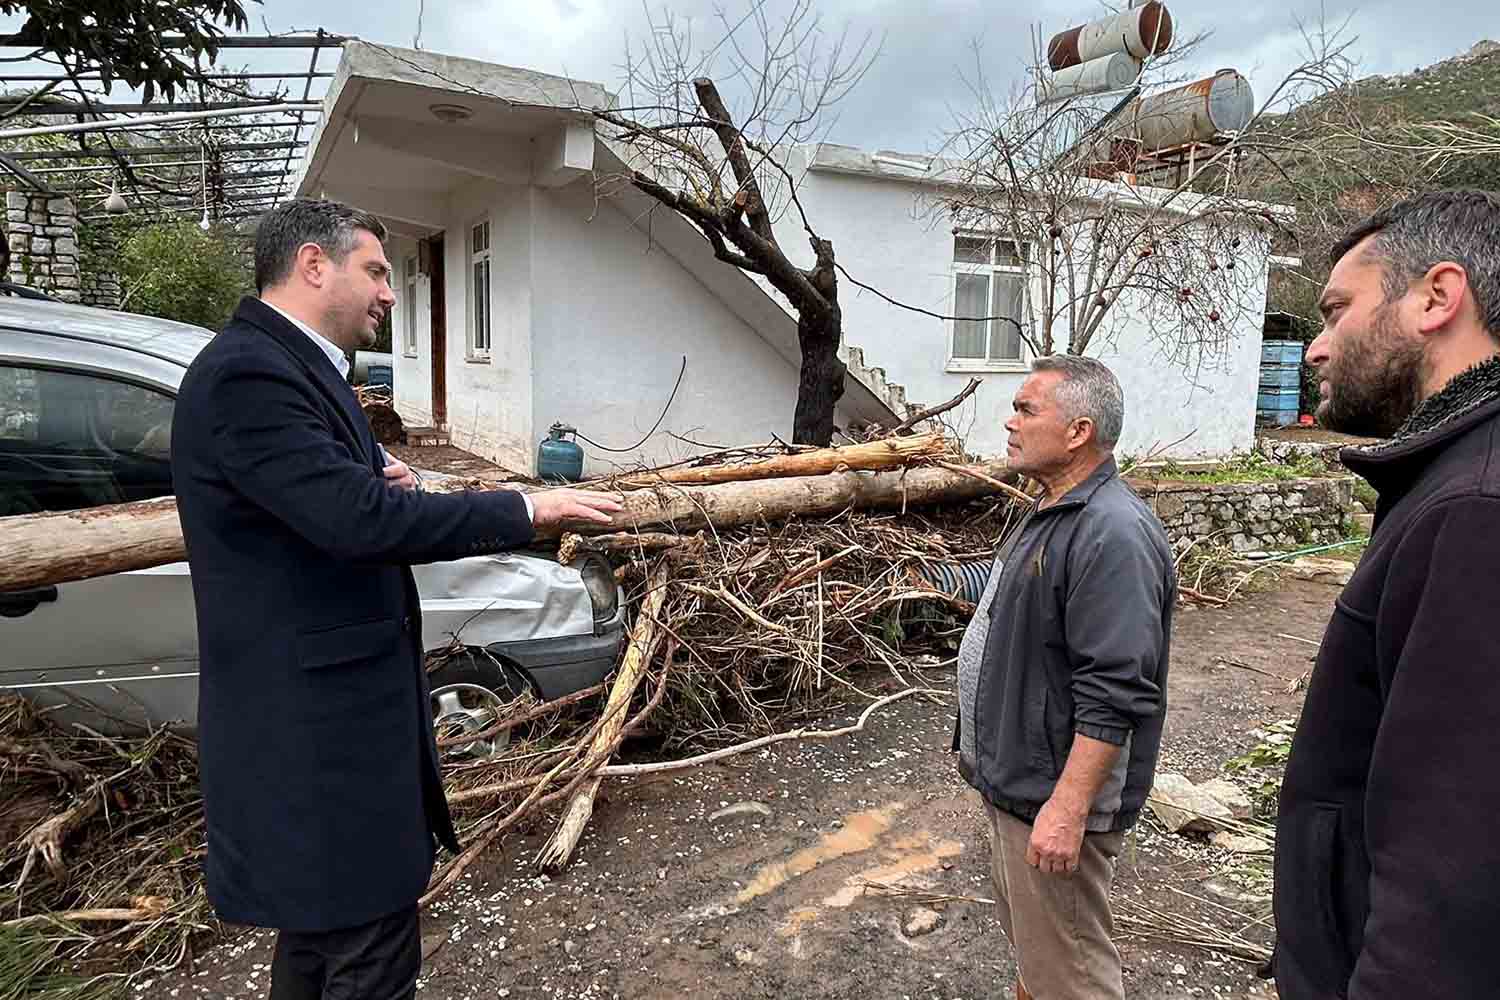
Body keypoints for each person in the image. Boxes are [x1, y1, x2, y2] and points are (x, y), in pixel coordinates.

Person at [170, 197, 622, 1000]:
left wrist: (375, 480)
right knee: (369, 953)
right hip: (316, 738)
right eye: (376, 271)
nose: (389, 292)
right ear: (314, 264)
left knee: (322, 944)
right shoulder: (250, 374)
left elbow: (329, 502)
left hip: (328, 727)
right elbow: (358, 522)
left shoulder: (296, 367)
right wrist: (528, 507)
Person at [1271, 189, 1500, 999]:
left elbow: (1451, 868)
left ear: (1437, 297)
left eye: (1335, 313)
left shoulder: (1476, 509)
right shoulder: (1451, 479)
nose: (1314, 350)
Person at [955, 355, 1174, 1000]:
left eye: (1026, 409)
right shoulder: (1053, 511)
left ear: (1078, 431)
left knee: (1073, 979)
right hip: (1018, 785)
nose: (1010, 421)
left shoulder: (1113, 533)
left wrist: (1068, 807)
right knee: (1042, 961)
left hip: (1051, 798)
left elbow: (1116, 690)